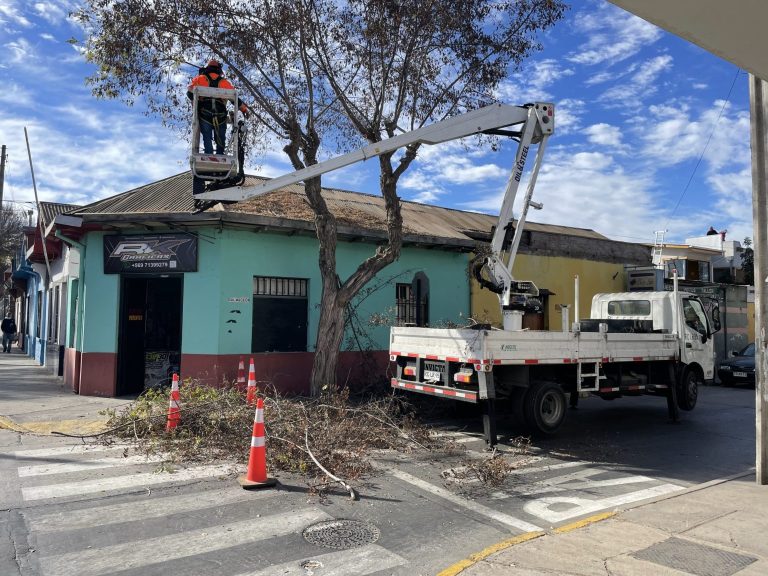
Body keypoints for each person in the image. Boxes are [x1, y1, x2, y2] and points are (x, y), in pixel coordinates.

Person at [187, 59, 249, 155]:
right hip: (220, 116)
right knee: (220, 138)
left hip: (204, 114)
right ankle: (220, 154)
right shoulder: (224, 82)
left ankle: (208, 154)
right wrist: (244, 110)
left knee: (207, 137)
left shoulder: (200, 79)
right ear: (218, 70)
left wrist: (197, 104)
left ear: (207, 68)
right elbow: (235, 99)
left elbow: (189, 93)